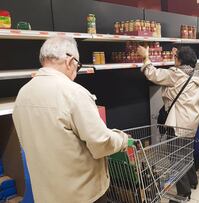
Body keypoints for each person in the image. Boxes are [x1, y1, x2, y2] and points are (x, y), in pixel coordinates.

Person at [12, 36, 129, 203]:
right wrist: (122, 139)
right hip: (81, 196)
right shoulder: (74, 93)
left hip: (45, 195)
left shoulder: (23, 94)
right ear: (70, 61)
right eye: (78, 65)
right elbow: (100, 143)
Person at [137, 45, 199, 201]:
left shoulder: (176, 75)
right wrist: (178, 56)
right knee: (186, 153)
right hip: (192, 120)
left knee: (176, 158)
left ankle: (183, 193)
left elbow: (153, 74)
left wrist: (145, 57)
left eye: (175, 58)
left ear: (179, 60)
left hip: (178, 122)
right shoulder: (196, 74)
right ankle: (193, 181)